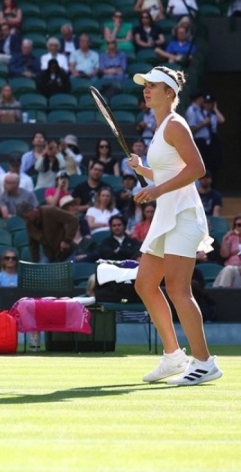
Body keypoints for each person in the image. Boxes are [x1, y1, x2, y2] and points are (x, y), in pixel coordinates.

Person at [126, 66, 222, 385]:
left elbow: (197, 169)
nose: (147, 89)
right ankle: (173, 356)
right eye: (146, 85)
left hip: (183, 215)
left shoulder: (176, 124)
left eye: (153, 85)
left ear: (170, 93)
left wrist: (156, 190)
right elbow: (169, 172)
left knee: (178, 290)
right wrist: (143, 170)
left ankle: (205, 363)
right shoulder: (161, 128)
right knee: (145, 284)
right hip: (167, 216)